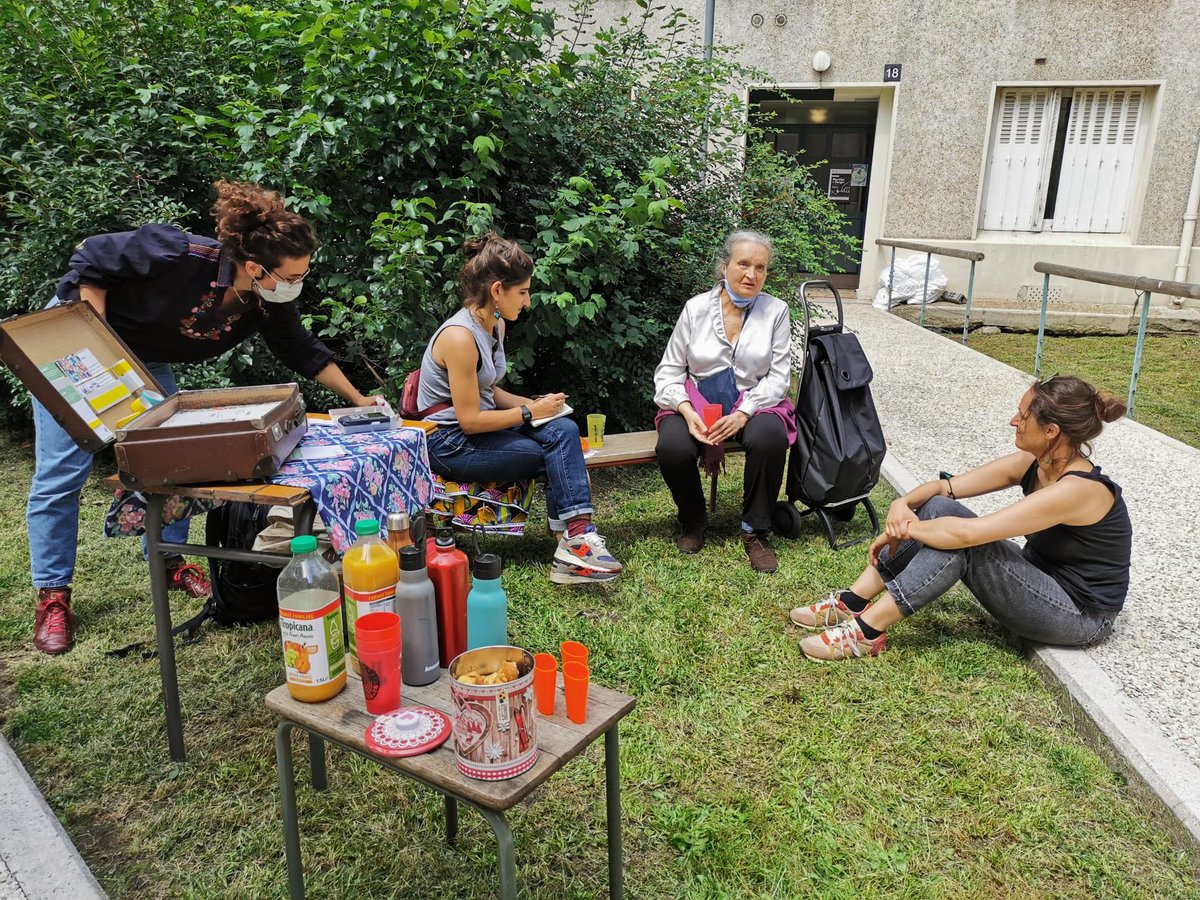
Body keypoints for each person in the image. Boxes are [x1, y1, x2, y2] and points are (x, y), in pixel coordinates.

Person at [27, 180, 384, 655]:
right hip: (78, 344)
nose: (297, 285)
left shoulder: (263, 299)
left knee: (176, 458)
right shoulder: (179, 253)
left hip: (146, 359)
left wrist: (360, 400)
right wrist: (99, 341)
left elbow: (301, 348)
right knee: (61, 470)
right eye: (293, 276)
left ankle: (172, 560)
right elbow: (92, 257)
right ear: (256, 266)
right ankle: (53, 595)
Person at [791, 375, 1132, 662]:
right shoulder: (1035, 463)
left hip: (1080, 615)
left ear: (1051, 431)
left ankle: (867, 631)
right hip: (1039, 579)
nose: (1014, 421)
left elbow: (970, 535)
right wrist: (903, 504)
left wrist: (907, 529)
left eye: (1022, 415)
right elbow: (945, 489)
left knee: (965, 543)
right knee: (940, 509)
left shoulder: (1080, 489)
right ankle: (852, 602)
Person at [417, 232, 623, 585]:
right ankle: (574, 546)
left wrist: (538, 406)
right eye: (523, 292)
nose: (527, 302)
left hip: (480, 430)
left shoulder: (494, 324)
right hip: (448, 442)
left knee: (564, 430)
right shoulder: (459, 337)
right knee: (556, 453)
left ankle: (574, 543)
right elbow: (468, 420)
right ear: (497, 291)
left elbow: (490, 390)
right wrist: (530, 413)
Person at [652, 230, 795, 573]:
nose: (751, 274)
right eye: (743, 264)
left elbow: (778, 378)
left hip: (754, 401)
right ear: (725, 266)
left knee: (769, 437)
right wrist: (686, 411)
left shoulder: (776, 311)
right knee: (672, 446)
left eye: (760, 267)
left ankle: (756, 530)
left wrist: (744, 413)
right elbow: (668, 372)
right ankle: (693, 519)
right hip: (698, 402)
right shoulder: (696, 309)